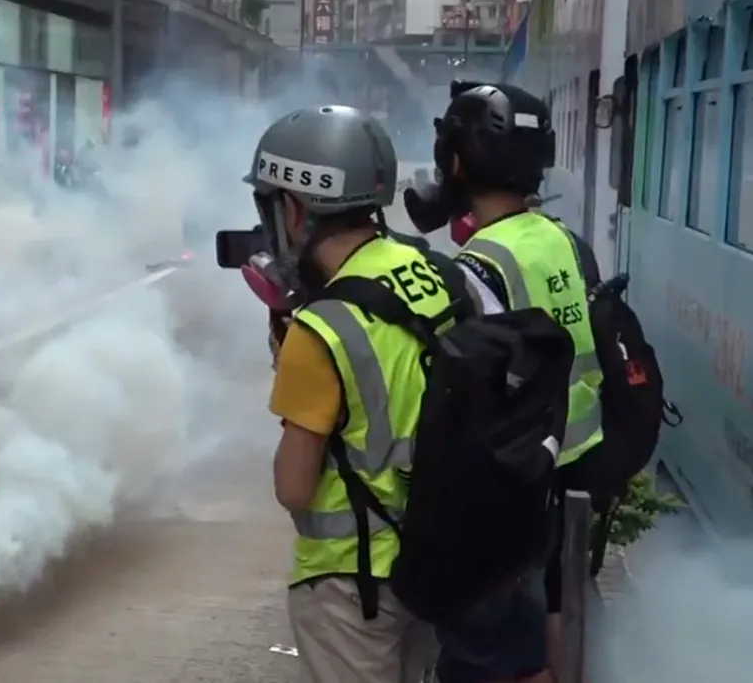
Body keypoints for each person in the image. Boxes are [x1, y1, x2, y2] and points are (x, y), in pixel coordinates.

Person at [405, 82, 597, 683]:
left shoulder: (477, 267)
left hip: (515, 479)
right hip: (576, 455)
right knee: (547, 624)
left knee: (496, 651)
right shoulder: (563, 239)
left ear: (459, 160)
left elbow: (463, 385)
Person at [250, 105, 438, 682]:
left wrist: (294, 360)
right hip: (438, 556)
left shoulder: (321, 328)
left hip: (353, 581)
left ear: (296, 208)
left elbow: (294, 487)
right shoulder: (430, 272)